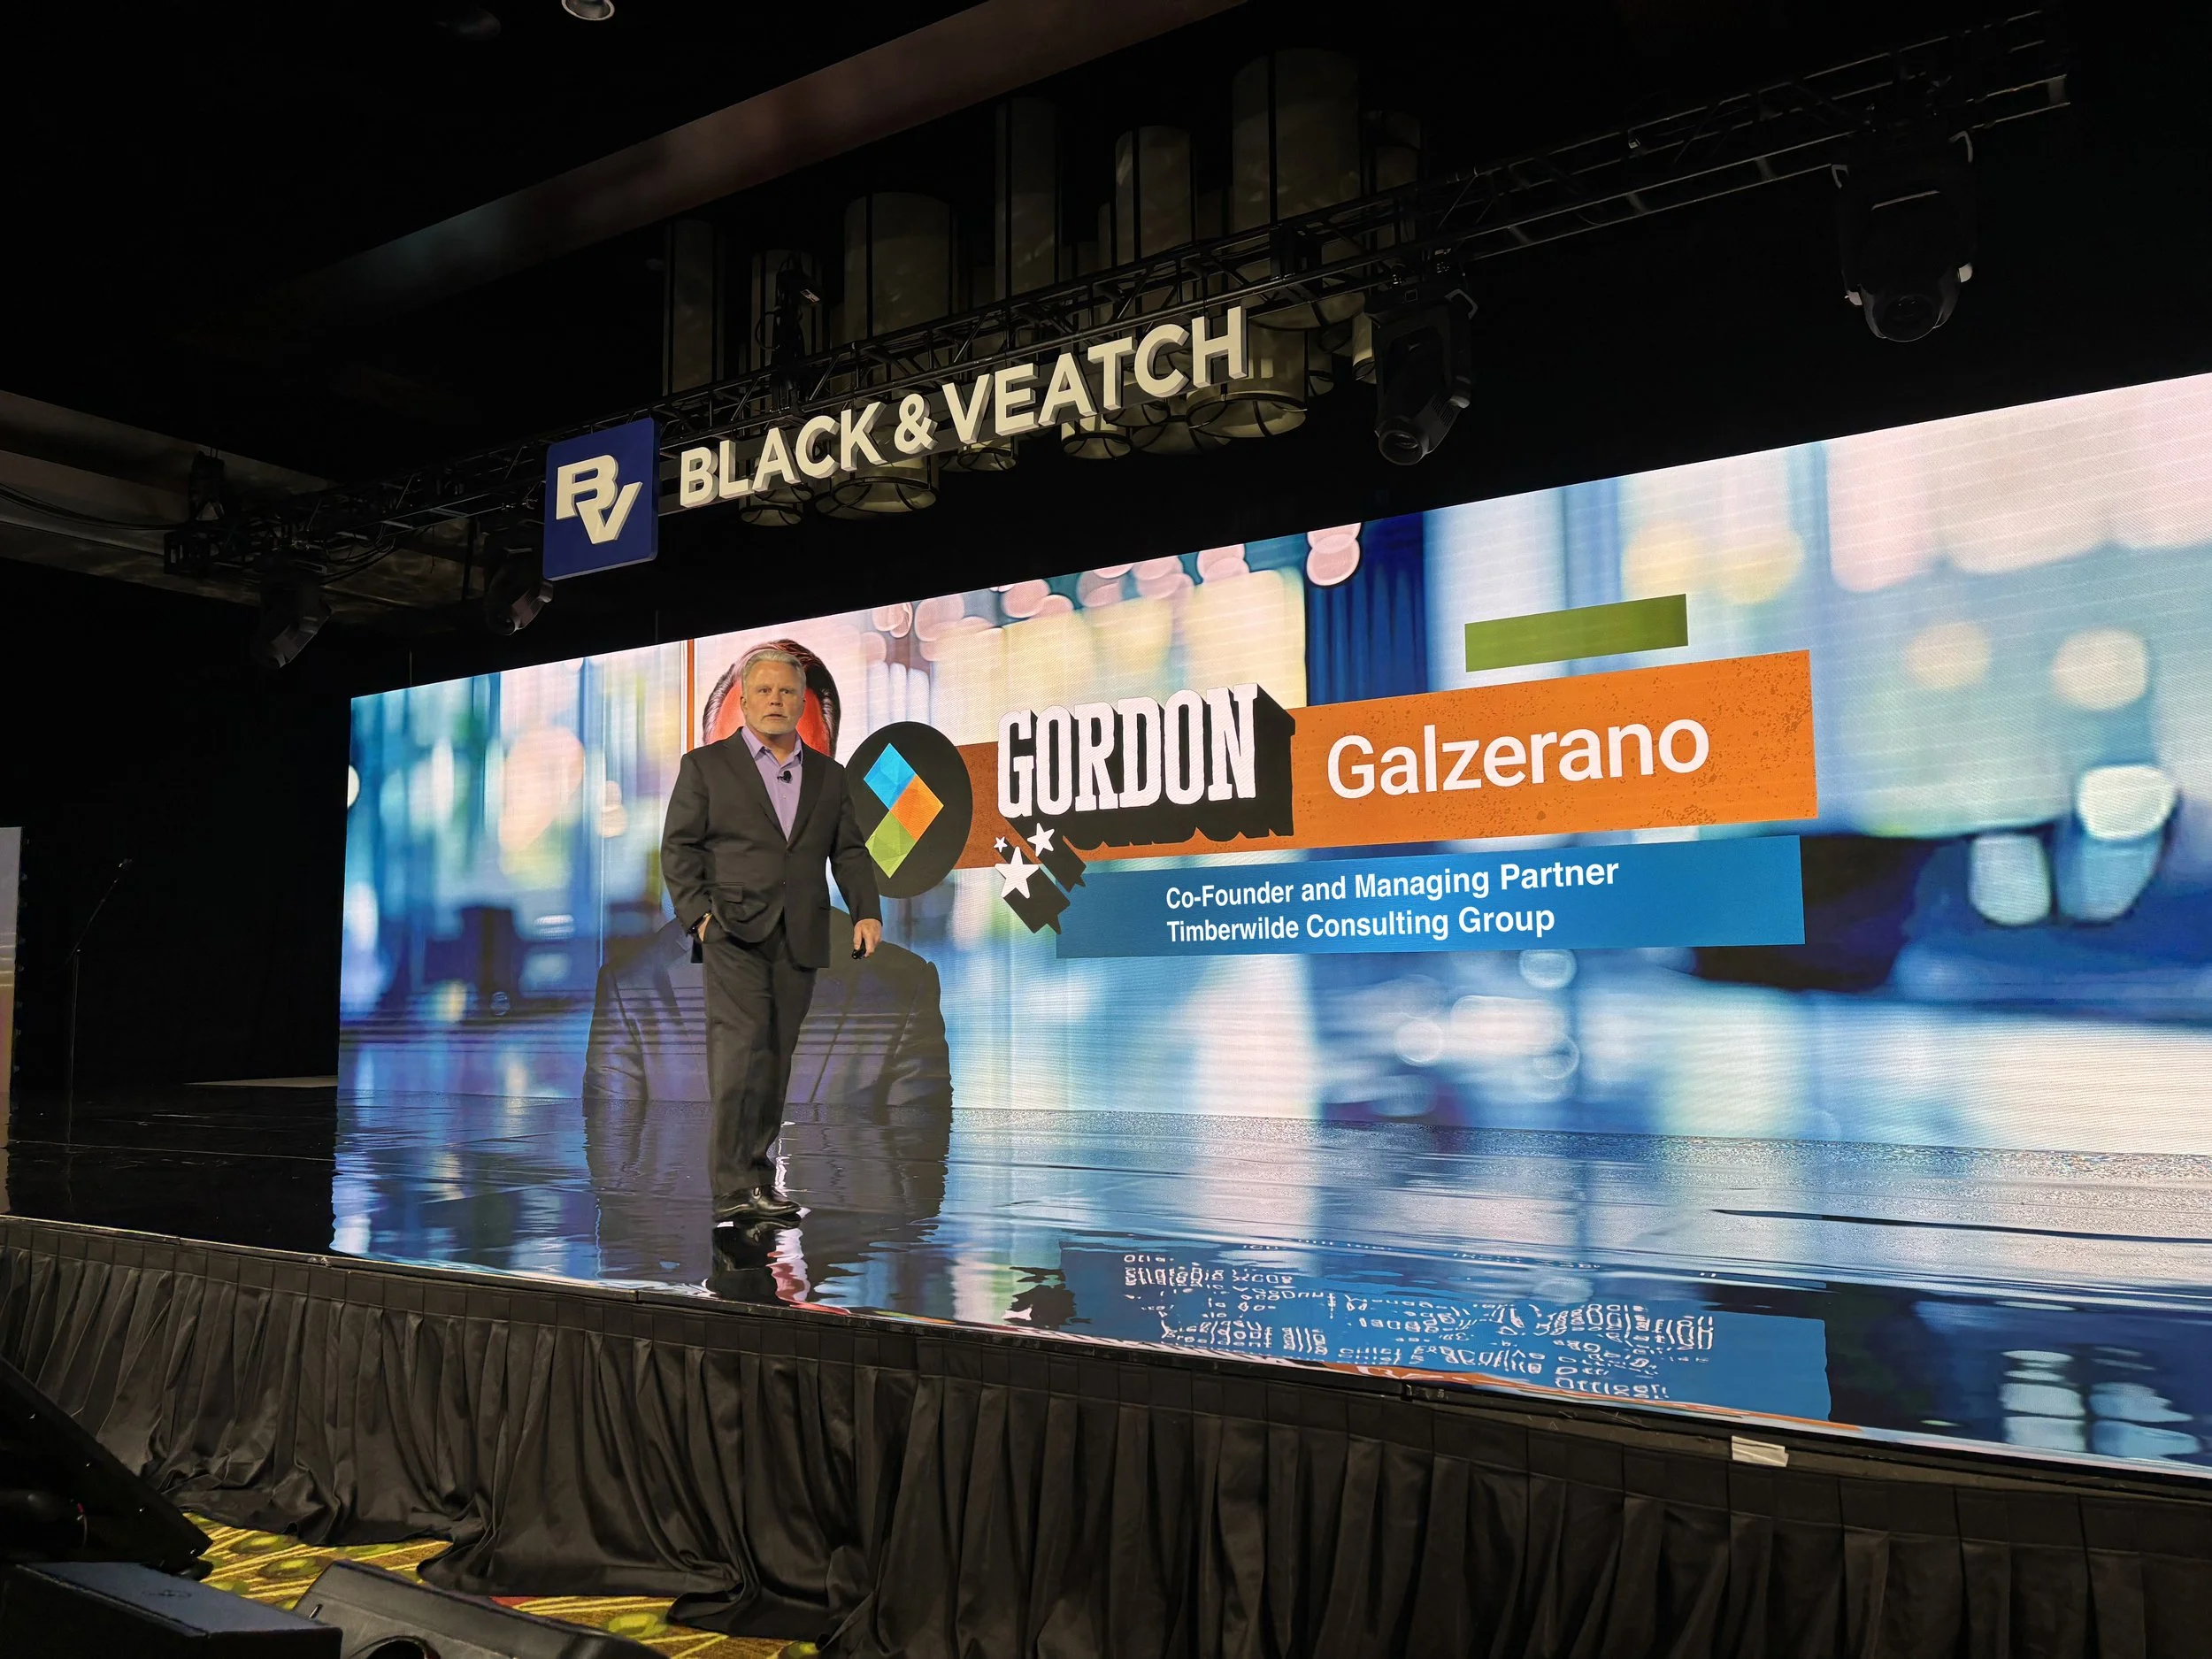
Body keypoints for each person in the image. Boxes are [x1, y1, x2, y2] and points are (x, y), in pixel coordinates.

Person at [661, 642, 882, 1224]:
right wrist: (699, 917)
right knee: (740, 1053)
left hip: (801, 933)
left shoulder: (830, 777)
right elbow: (678, 848)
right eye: (764, 690)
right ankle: (732, 1185)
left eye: (787, 691)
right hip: (732, 931)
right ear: (743, 699)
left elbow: (850, 850)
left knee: (775, 1059)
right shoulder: (706, 766)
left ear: (803, 700)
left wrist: (867, 910)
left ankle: (759, 1179)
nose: (776, 700)